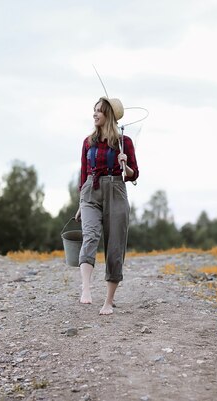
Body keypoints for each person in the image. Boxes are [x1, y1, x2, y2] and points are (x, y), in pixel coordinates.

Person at [74, 96, 139, 315]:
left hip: (116, 189)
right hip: (90, 191)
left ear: (109, 115)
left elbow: (133, 174)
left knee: (115, 246)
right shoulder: (88, 142)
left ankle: (108, 302)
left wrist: (125, 163)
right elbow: (83, 173)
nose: (95, 114)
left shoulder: (124, 142)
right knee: (90, 235)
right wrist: (80, 203)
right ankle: (86, 288)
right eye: (94, 110)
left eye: (99, 111)